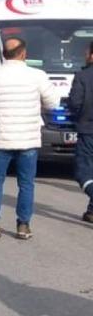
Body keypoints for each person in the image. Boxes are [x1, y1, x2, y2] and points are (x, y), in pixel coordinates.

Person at [0, 38, 58, 240]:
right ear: (23, 53)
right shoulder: (37, 76)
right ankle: (23, 225)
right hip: (28, 139)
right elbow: (52, 102)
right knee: (26, 183)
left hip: (0, 138)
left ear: (3, 53)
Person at [70, 42, 93, 221]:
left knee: (83, 172)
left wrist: (77, 118)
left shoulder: (83, 76)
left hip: (87, 131)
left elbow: (75, 103)